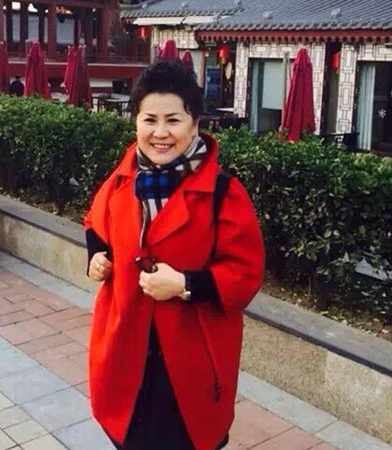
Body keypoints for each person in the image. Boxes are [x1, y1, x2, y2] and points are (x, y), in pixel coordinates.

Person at [84, 60, 265, 450]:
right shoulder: (123, 179)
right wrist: (97, 254)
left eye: (173, 120)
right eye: (150, 120)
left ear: (195, 123)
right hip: (126, 347)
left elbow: (245, 273)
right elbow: (95, 221)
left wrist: (186, 284)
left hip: (190, 360)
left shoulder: (223, 193)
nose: (160, 133)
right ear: (136, 122)